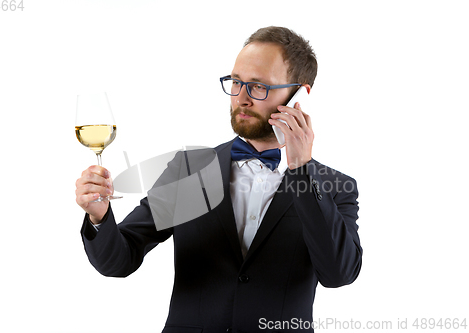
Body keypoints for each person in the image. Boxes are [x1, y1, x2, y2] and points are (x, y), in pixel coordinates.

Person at [75, 26, 362, 333]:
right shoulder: (190, 169)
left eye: (258, 86)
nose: (242, 98)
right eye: (236, 82)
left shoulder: (333, 187)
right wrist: (99, 216)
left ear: (300, 96)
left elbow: (338, 274)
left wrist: (301, 170)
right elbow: (120, 259)